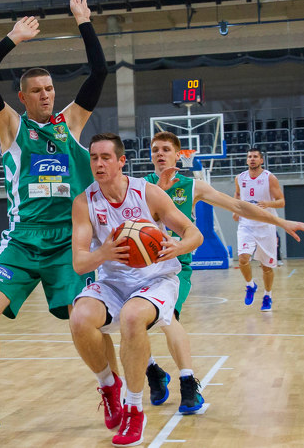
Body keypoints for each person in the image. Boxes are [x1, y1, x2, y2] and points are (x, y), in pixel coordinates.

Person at [0, 0, 108, 431]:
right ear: (22, 97)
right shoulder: (11, 126)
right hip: (22, 239)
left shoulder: (70, 123)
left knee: (83, 320)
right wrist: (12, 39)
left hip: (68, 242)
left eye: (50, 89)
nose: (45, 95)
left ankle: (109, 384)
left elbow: (99, 71)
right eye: (36, 91)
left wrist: (84, 21)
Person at [142, 132, 304, 413]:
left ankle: (188, 383)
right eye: (155, 150)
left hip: (175, 267)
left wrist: (281, 222)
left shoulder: (193, 186)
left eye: (165, 149)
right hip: (144, 265)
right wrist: (158, 191)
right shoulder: (140, 186)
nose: (159, 154)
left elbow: (238, 205)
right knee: (131, 323)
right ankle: (153, 372)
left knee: (168, 317)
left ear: (178, 155)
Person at [69, 133, 204, 446]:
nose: (99, 164)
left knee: (132, 317)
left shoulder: (147, 192)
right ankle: (108, 385)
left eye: (106, 157)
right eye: (94, 158)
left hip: (156, 279)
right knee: (79, 318)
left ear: (121, 161)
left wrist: (178, 246)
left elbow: (193, 233)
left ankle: (134, 409)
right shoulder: (84, 202)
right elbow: (79, 263)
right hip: (113, 281)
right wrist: (104, 252)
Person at [233, 148, 286, 311]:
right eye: (249, 156)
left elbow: (281, 201)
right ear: (246, 160)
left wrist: (268, 203)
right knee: (243, 258)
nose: (252, 159)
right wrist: (235, 210)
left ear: (261, 160)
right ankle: (250, 285)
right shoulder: (240, 178)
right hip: (246, 224)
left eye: (255, 156)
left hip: (265, 225)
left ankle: (267, 296)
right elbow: (237, 195)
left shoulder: (269, 178)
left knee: (266, 267)